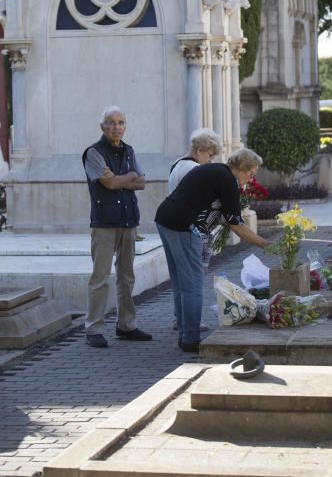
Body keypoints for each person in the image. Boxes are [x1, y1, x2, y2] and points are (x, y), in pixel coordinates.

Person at [155, 147, 269, 353]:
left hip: (165, 220)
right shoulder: (227, 180)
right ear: (241, 168)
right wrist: (266, 244)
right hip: (184, 226)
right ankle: (190, 339)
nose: (251, 180)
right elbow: (236, 224)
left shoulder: (216, 170)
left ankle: (184, 332)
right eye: (251, 174)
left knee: (181, 282)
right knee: (192, 284)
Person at [82, 106, 152, 348]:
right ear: (103, 126)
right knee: (100, 277)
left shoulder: (129, 150)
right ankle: (93, 329)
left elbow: (142, 183)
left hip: (128, 220)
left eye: (121, 122)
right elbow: (109, 184)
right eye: (111, 123)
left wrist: (125, 177)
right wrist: (128, 177)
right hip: (104, 223)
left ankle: (126, 325)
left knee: (127, 276)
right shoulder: (94, 152)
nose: (116, 127)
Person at [168, 128, 223, 331]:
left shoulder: (177, 164)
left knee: (179, 279)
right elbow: (207, 201)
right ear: (200, 150)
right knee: (193, 279)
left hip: (173, 225)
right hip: (190, 228)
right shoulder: (193, 169)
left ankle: (179, 318)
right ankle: (191, 324)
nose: (210, 160)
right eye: (210, 155)